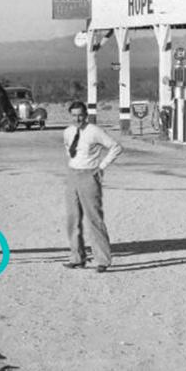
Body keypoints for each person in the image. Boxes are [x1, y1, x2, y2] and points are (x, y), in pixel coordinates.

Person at [62, 100, 123, 272]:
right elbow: (69, 150)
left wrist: (101, 167)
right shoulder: (67, 132)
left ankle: (103, 260)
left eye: (80, 115)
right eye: (74, 115)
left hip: (89, 176)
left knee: (94, 219)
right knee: (72, 220)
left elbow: (116, 147)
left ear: (86, 115)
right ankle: (77, 258)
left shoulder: (94, 131)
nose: (77, 118)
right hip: (72, 175)